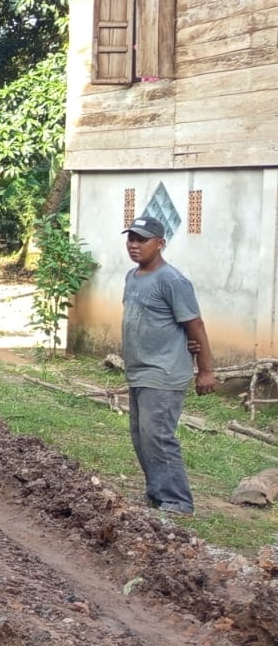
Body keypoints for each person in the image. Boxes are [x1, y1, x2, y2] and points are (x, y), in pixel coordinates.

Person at [120, 214, 215, 516]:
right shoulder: (132, 276)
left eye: (142, 240)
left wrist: (206, 370)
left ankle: (178, 502)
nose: (134, 245)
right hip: (139, 370)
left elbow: (195, 326)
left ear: (160, 243)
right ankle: (157, 495)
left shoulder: (172, 280)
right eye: (131, 238)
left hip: (164, 372)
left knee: (158, 436)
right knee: (141, 436)